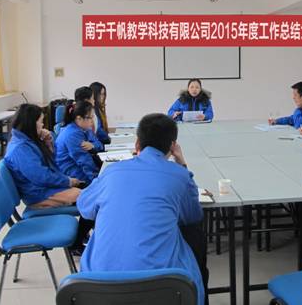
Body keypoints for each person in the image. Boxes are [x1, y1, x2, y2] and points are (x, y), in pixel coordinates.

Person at [77, 113, 207, 304]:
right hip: (166, 288)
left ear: (137, 143)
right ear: (173, 146)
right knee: (195, 235)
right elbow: (192, 216)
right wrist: (182, 164)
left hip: (97, 288)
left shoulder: (112, 171)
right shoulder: (179, 175)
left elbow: (84, 208)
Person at [4, 104, 82, 208]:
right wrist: (67, 181)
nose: (43, 125)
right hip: (40, 194)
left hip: (45, 188)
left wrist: (47, 144)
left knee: (88, 192)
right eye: (41, 122)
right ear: (31, 124)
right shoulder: (20, 149)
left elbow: (51, 166)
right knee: (87, 197)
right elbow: (41, 176)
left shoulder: (27, 140)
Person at [55, 100, 99, 185]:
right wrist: (97, 180)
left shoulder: (78, 129)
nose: (92, 121)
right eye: (90, 117)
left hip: (76, 169)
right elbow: (83, 161)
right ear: (79, 118)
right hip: (72, 174)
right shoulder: (73, 134)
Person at [74, 86, 105, 153]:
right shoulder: (76, 129)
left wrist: (93, 145)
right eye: (92, 98)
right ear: (86, 101)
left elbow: (98, 143)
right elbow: (82, 157)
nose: (94, 100)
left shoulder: (86, 122)